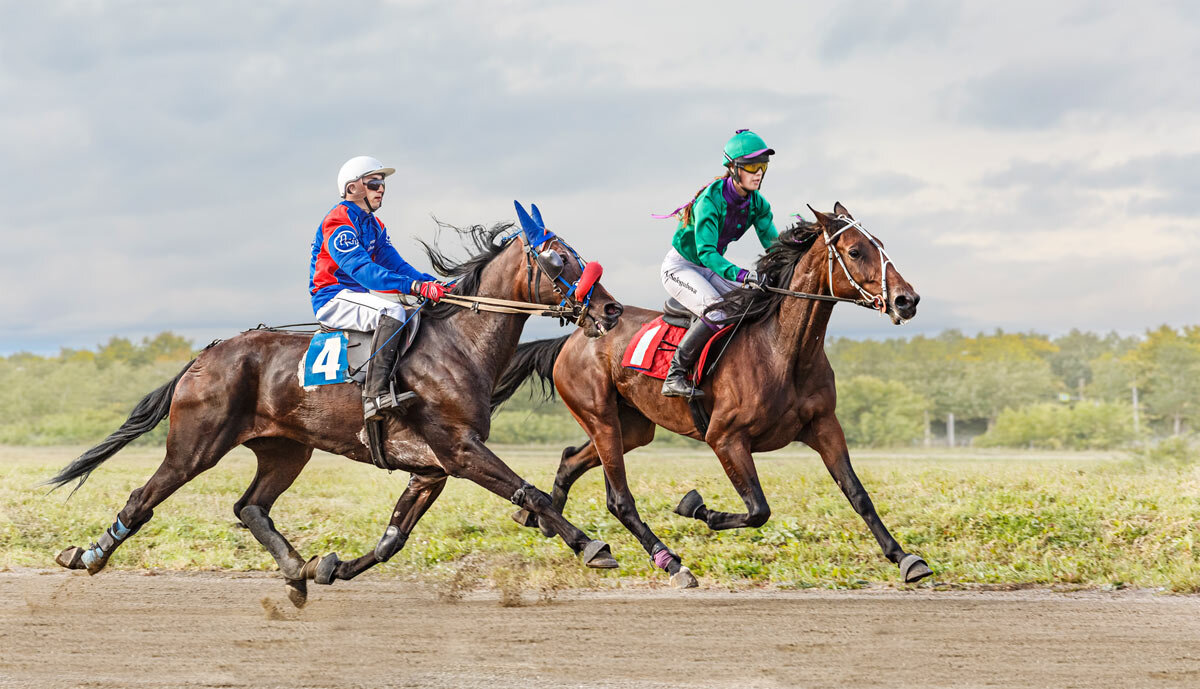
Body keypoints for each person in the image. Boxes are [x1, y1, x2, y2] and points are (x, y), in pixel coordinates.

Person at [309, 155, 448, 420]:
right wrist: (415, 286)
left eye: (383, 183)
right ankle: (374, 397)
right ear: (352, 189)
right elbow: (365, 273)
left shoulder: (375, 226)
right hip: (332, 297)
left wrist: (432, 283)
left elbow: (397, 266)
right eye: (373, 183)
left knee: (412, 309)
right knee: (392, 313)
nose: (381, 188)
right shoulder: (338, 223)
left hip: (357, 297)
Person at [658, 129, 780, 398]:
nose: (758, 172)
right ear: (733, 169)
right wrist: (744, 274)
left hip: (710, 269)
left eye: (763, 166)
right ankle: (674, 374)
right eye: (751, 166)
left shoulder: (757, 204)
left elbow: (774, 247)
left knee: (756, 302)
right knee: (718, 312)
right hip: (681, 267)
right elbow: (707, 254)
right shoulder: (711, 201)